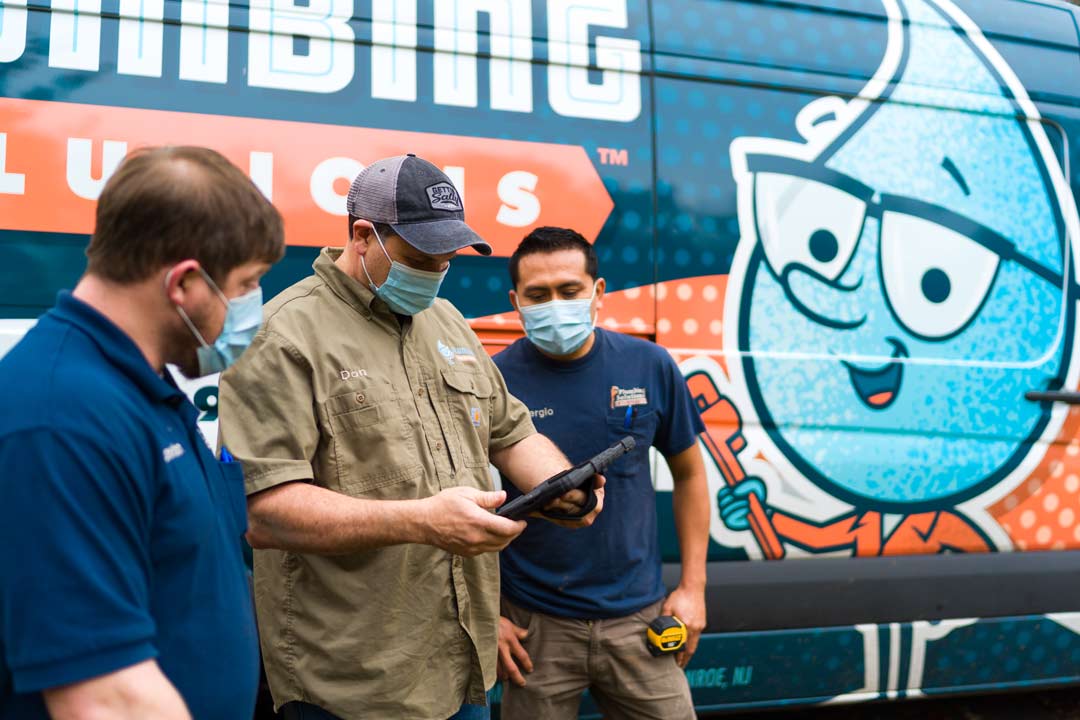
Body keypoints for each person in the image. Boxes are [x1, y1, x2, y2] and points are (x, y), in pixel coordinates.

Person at [217, 154, 603, 720]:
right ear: (362, 235)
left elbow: (511, 433)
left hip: (459, 662)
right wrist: (423, 520)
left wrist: (561, 486)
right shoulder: (281, 337)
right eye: (421, 258)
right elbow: (266, 514)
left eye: (445, 259)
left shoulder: (447, 322)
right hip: (354, 681)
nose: (435, 271)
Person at [0, 147, 285, 720]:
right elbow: (103, 698)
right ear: (183, 284)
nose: (254, 308)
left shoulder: (143, 386)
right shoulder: (60, 420)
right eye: (248, 283)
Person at [493, 227, 710, 719]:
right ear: (515, 301)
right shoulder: (494, 382)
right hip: (534, 631)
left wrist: (693, 588)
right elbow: (466, 499)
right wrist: (490, 617)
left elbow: (692, 477)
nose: (555, 304)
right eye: (538, 294)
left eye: (569, 290)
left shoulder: (649, 366)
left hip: (640, 622)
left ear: (598, 292)